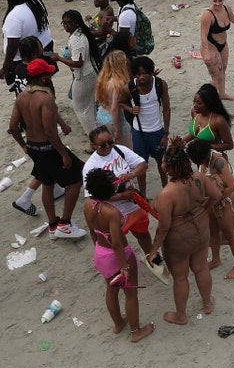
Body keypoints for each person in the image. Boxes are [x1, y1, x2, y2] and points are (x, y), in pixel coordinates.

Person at [148, 137, 223, 326]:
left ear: (167, 167)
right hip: (200, 229)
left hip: (179, 238)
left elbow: (163, 226)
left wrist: (154, 249)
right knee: (201, 267)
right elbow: (217, 195)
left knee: (180, 277)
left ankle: (180, 315)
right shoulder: (199, 178)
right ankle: (207, 303)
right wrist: (204, 208)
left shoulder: (167, 194)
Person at [7, 57, 86, 238]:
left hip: (33, 147)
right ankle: (65, 223)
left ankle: (52, 225)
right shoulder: (45, 99)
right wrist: (64, 154)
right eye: (48, 73)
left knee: (47, 184)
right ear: (43, 78)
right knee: (75, 179)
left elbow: (12, 128)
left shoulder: (21, 98)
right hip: (48, 147)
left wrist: (24, 146)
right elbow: (51, 133)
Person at [81, 124, 164, 278]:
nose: (108, 147)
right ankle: (124, 267)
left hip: (131, 206)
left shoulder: (119, 150)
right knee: (118, 243)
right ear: (93, 146)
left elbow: (142, 164)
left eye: (110, 142)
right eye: (103, 145)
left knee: (143, 234)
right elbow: (94, 197)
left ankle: (152, 257)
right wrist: (122, 196)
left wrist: (131, 175)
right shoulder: (90, 166)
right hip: (112, 212)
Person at [82, 169, 155, 342]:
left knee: (111, 290)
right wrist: (125, 267)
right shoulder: (111, 213)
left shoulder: (88, 205)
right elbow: (117, 243)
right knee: (130, 292)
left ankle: (118, 323)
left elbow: (93, 231)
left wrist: (99, 250)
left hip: (101, 252)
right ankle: (136, 331)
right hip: (118, 255)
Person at [187, 138, 234, 280]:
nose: (196, 164)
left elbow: (232, 186)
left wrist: (213, 198)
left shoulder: (219, 162)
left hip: (226, 199)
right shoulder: (203, 162)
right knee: (212, 230)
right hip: (212, 200)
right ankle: (216, 259)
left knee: (229, 232)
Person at [123, 56, 170, 192]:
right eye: (138, 74)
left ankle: (166, 193)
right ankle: (143, 197)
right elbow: (120, 102)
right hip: (139, 134)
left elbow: (166, 109)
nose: (141, 77)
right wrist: (130, 109)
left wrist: (165, 134)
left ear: (151, 72)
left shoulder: (160, 85)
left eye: (144, 73)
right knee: (141, 167)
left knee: (163, 166)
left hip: (157, 131)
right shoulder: (129, 88)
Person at [49, 9, 99, 134]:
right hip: (90, 73)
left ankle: (93, 136)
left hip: (83, 76)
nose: (66, 26)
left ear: (76, 23)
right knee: (89, 106)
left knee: (81, 109)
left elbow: (78, 63)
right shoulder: (79, 34)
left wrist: (59, 58)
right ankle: (96, 132)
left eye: (69, 23)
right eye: (64, 23)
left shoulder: (77, 40)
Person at [199, 0, 234, 101]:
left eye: (220, 1)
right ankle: (204, 98)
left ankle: (222, 93)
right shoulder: (208, 15)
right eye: (214, 1)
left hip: (223, 44)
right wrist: (206, 53)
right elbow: (203, 34)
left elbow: (232, 17)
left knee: (223, 70)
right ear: (210, 0)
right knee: (217, 76)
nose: (217, 4)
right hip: (211, 44)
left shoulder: (226, 8)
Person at [96, 49, 133, 148]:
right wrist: (118, 130)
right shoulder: (118, 83)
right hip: (114, 120)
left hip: (102, 115)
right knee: (127, 149)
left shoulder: (103, 78)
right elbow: (114, 108)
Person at [187, 83, 234, 152]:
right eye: (194, 102)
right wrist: (183, 141)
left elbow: (229, 145)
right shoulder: (194, 113)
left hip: (212, 159)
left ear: (208, 104)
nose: (195, 105)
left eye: (199, 103)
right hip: (197, 158)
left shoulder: (218, 121)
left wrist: (207, 146)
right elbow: (194, 134)